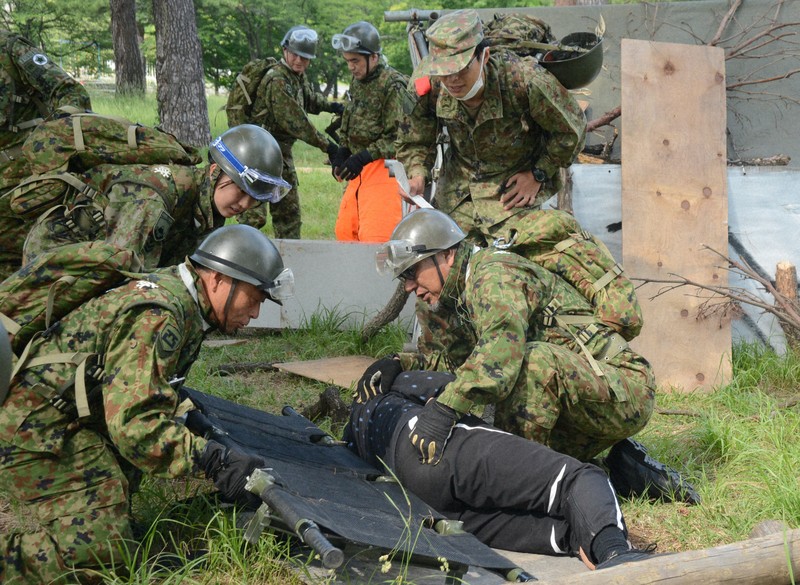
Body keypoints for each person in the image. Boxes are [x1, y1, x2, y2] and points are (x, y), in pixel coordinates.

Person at [0, 224, 294, 583]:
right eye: (255, 298)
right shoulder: (160, 313)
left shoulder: (181, 301)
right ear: (218, 278)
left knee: (116, 531)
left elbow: (151, 391)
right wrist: (211, 460)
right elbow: (134, 425)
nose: (255, 313)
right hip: (33, 426)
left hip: (66, 415)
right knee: (100, 557)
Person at [366, 209, 701, 504]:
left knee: (531, 364)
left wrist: (444, 409)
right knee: (547, 455)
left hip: (625, 387)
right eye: (403, 277)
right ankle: (625, 471)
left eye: (412, 273)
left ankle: (521, 491)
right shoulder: (458, 294)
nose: (408, 286)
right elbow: (457, 363)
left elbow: (499, 354)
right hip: (577, 394)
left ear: (446, 256)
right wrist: (399, 365)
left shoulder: (493, 275)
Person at [344, 369, 656, 570]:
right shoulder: (396, 385)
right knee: (574, 478)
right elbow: (452, 385)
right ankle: (616, 555)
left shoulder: (356, 426)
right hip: (432, 448)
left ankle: (582, 542)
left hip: (418, 499)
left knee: (559, 531)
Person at [21, 123, 290, 271]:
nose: (244, 204)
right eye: (240, 190)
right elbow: (122, 271)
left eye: (254, 198)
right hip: (54, 261)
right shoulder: (155, 200)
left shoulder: (204, 204)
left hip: (92, 262)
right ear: (213, 172)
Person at [0, 28, 92, 279]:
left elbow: (71, 93)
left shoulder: (10, 49)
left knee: (31, 270)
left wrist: (49, 143)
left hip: (23, 188)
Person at [243, 25, 344, 237]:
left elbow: (309, 99)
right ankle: (244, 252)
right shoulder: (277, 79)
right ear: (285, 51)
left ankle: (289, 255)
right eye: (295, 55)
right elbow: (296, 121)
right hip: (258, 153)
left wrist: (333, 107)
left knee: (289, 214)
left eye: (304, 58)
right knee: (252, 214)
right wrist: (328, 146)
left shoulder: (296, 76)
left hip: (281, 153)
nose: (299, 61)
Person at [330, 21, 411, 242]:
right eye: (347, 61)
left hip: (384, 170)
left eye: (355, 61)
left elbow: (400, 138)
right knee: (346, 232)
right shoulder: (358, 81)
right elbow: (349, 118)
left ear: (373, 57)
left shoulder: (393, 85)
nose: (351, 67)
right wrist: (343, 150)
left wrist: (364, 156)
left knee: (376, 236)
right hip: (360, 172)